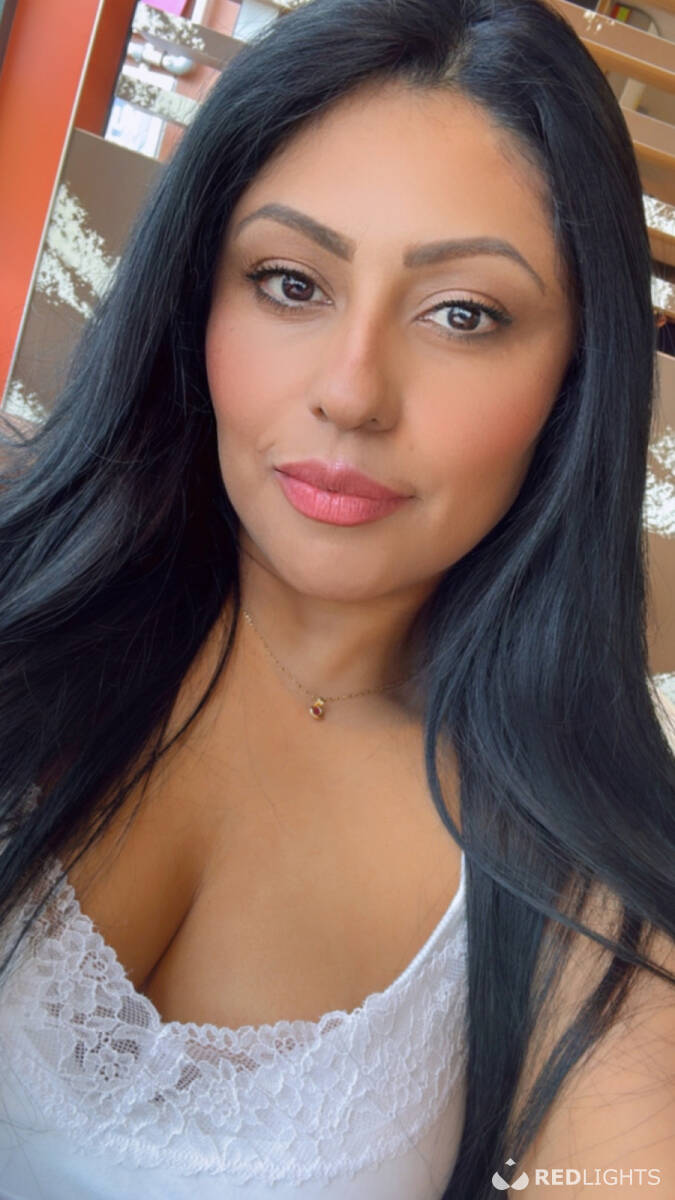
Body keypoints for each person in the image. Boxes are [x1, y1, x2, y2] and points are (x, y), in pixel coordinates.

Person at [0, 0, 673, 1196]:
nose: (353, 393)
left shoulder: (584, 899)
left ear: (575, 381)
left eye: (463, 314)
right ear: (197, 297)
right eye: (290, 282)